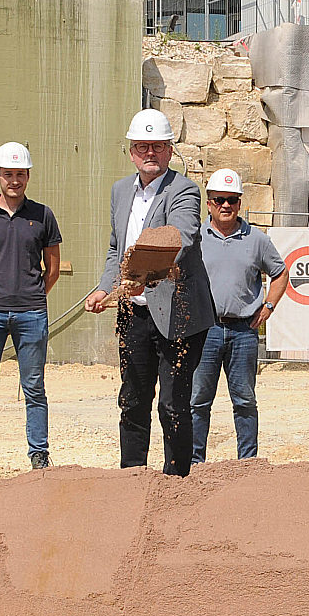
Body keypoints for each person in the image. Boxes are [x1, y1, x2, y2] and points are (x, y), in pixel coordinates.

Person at [88, 108, 214, 477]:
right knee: (133, 400)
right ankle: (132, 477)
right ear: (131, 150)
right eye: (142, 146)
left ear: (170, 150)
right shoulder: (119, 191)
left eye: (157, 146)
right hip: (134, 314)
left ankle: (176, 481)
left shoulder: (185, 190)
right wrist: (105, 287)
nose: (150, 153)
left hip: (179, 313)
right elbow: (117, 247)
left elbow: (182, 236)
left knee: (174, 405)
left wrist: (149, 275)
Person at [0, 142, 62, 469]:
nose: (14, 180)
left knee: (34, 386)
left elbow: (54, 267)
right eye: (8, 174)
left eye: (20, 174)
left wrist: (32, 295)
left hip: (31, 314)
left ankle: (39, 452)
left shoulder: (42, 215)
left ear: (28, 176)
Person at [190, 167, 286, 463]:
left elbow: (280, 273)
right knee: (197, 402)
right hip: (205, 331)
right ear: (209, 203)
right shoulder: (195, 238)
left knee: (244, 401)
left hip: (244, 332)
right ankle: (194, 462)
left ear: (240, 203)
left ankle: (248, 463)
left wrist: (268, 307)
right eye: (219, 200)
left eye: (232, 200)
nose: (226, 206)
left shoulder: (256, 239)